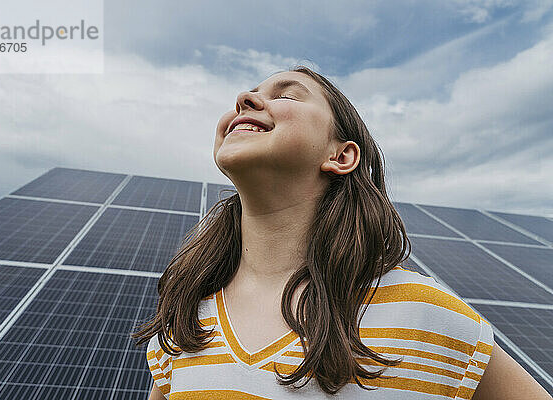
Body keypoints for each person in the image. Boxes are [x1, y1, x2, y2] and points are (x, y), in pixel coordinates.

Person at [132, 65, 552, 399]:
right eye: (247, 95)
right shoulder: (185, 321)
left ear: (341, 154)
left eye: (286, 94)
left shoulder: (428, 313)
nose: (245, 99)